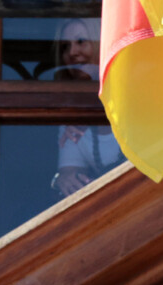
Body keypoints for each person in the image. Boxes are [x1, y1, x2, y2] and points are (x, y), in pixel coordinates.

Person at [49, 18, 124, 196]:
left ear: (102, 44)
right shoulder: (72, 120)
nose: (72, 52)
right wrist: (64, 179)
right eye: (65, 46)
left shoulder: (135, 94)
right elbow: (69, 171)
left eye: (81, 42)